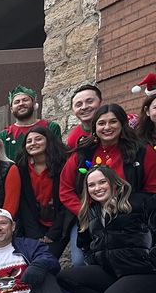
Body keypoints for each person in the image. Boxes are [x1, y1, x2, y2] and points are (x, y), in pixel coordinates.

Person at [58, 167, 156, 293]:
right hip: (114, 271)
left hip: (144, 271)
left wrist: (151, 259)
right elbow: (86, 245)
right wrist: (95, 259)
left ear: (114, 183)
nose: (97, 188)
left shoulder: (140, 202)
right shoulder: (93, 212)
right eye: (91, 185)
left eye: (102, 182)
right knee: (66, 278)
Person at [59, 103, 156, 266]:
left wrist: (127, 208)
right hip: (92, 219)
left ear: (122, 124)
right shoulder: (83, 153)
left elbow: (152, 188)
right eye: (102, 123)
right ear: (95, 127)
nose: (107, 127)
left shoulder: (141, 151)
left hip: (133, 220)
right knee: (78, 262)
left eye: (113, 122)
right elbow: (65, 189)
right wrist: (86, 213)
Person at [15, 126, 73, 257]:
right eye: (29, 141)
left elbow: (67, 200)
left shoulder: (63, 164)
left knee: (49, 258)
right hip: (34, 225)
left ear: (48, 141)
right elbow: (24, 203)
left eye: (38, 139)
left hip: (59, 223)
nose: (33, 143)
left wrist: (52, 234)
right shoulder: (22, 167)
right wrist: (36, 235)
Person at [0, 85, 62, 159]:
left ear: (34, 104)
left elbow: (58, 157)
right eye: (17, 102)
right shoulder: (4, 135)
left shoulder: (51, 127)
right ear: (11, 109)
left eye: (25, 100)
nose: (21, 103)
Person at [66, 84, 103, 149]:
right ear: (73, 110)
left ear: (101, 103)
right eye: (79, 104)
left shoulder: (120, 124)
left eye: (90, 101)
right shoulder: (73, 139)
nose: (84, 107)